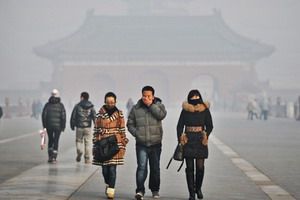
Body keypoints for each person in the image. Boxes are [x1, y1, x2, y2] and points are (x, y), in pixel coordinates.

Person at [127, 86, 167, 200]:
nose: (146, 98)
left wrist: (151, 105)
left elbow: (162, 115)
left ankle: (155, 190)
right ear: (141, 95)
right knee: (142, 167)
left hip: (156, 143)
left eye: (149, 96)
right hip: (141, 144)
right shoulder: (136, 108)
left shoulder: (159, 105)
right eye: (144, 95)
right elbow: (130, 124)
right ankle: (140, 190)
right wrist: (137, 134)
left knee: (155, 168)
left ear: (153, 96)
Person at [176, 90, 213, 200]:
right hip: (188, 140)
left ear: (200, 96)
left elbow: (210, 125)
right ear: (189, 97)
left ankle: (198, 189)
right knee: (189, 168)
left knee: (200, 168)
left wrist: (206, 134)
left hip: (200, 140)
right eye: (192, 96)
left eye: (197, 96)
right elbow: (179, 126)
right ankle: (191, 193)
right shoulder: (185, 110)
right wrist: (181, 138)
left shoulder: (205, 110)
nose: (195, 98)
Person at [92, 92, 128, 199]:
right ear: (104, 101)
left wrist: (123, 142)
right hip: (103, 144)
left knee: (112, 169)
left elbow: (122, 129)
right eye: (108, 102)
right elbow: (95, 129)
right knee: (104, 170)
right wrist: (96, 140)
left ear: (115, 102)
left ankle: (111, 190)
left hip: (114, 143)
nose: (110, 104)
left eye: (112, 102)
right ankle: (107, 184)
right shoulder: (99, 114)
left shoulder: (119, 114)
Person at [70, 92, 96, 164]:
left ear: (81, 97)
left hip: (79, 127)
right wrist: (96, 125)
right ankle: (87, 159)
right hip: (88, 127)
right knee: (88, 143)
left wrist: (72, 125)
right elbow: (94, 116)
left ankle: (80, 151)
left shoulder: (77, 106)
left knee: (79, 141)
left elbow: (73, 117)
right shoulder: (91, 106)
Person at [42, 89, 66, 164]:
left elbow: (44, 116)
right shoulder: (61, 105)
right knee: (56, 140)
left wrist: (44, 125)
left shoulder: (47, 105)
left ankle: (50, 156)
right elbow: (63, 117)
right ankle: (54, 157)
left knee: (50, 140)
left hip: (49, 126)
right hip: (58, 127)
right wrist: (63, 126)